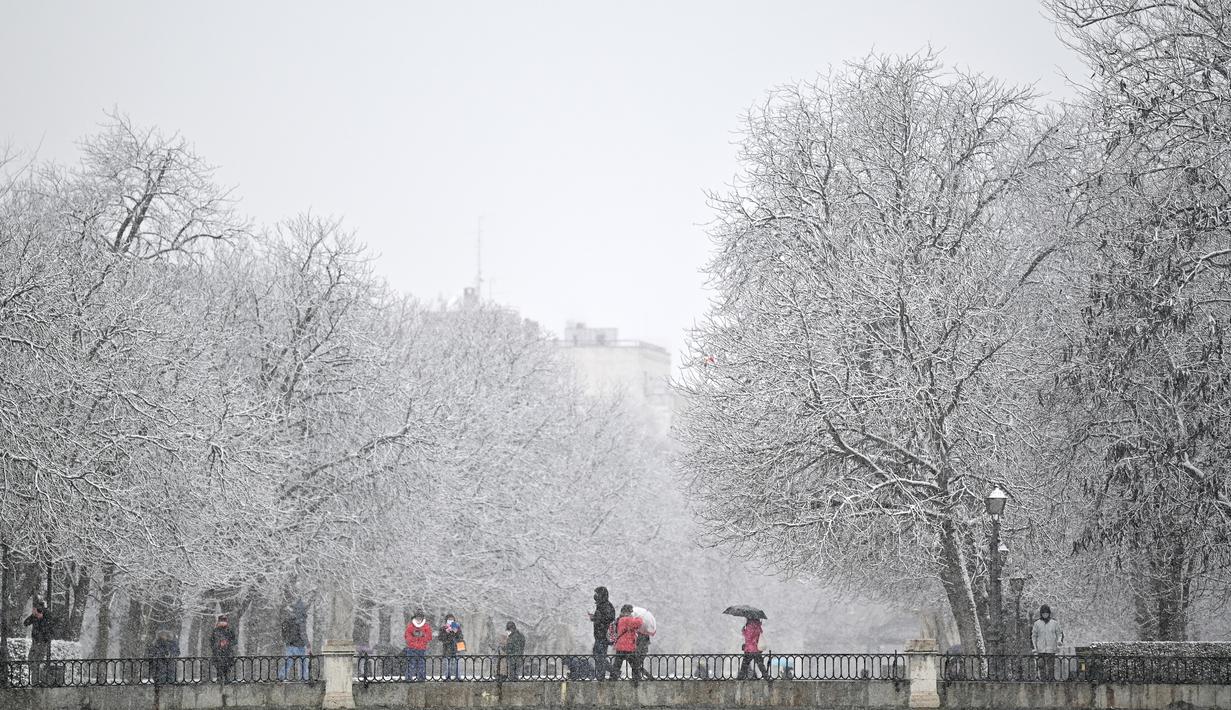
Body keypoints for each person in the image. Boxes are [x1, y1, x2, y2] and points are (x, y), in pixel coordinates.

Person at [608, 605, 643, 683]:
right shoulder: (627, 619)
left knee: (617, 665)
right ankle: (636, 680)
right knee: (635, 665)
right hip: (628, 647)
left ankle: (613, 679)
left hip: (620, 646)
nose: (631, 613)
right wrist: (639, 617)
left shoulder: (620, 619)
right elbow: (638, 623)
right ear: (628, 612)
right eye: (631, 611)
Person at [23, 601, 54, 686]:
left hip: (43, 641)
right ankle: (38, 680)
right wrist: (33, 615)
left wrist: (41, 617)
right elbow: (25, 623)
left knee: (37, 662)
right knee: (31, 660)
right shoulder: (35, 615)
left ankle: (37, 682)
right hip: (35, 641)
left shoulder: (47, 615)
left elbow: (48, 628)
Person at [1031, 604, 1065, 681]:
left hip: (1051, 648)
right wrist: (1035, 647)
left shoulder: (1054, 623)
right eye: (1043, 613)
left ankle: (1051, 679)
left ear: (1049, 613)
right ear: (1041, 614)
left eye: (1046, 613)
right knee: (1041, 665)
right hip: (1040, 649)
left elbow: (1059, 633)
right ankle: (1043, 680)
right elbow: (1034, 636)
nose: (1045, 615)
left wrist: (1059, 641)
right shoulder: (1037, 624)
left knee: (1051, 666)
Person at [279, 600, 310, 681]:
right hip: (299, 645)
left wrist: (286, 640)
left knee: (288, 662)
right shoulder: (301, 619)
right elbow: (303, 633)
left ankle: (282, 676)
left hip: (290, 644)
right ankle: (304, 678)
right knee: (303, 662)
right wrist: (308, 645)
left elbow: (283, 630)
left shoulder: (289, 619)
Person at [589, 587, 615, 680]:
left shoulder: (606, 605)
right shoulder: (601, 605)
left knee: (598, 655)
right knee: (598, 655)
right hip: (599, 635)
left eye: (597, 594)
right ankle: (601, 674)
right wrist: (594, 618)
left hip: (603, 636)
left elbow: (608, 619)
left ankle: (610, 672)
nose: (595, 596)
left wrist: (597, 618)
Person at [404, 610, 432, 682]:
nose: (418, 619)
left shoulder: (426, 626)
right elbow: (407, 637)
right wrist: (414, 637)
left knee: (421, 664)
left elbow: (429, 637)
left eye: (420, 617)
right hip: (411, 648)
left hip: (422, 648)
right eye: (417, 617)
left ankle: (421, 678)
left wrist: (423, 635)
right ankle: (409, 678)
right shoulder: (410, 626)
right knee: (410, 663)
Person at [631, 605, 657, 680]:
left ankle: (638, 677)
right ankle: (643, 676)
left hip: (639, 649)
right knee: (637, 664)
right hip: (643, 649)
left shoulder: (639, 632)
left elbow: (638, 643)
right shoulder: (645, 631)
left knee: (636, 664)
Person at [209, 615, 237, 682]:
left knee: (227, 667)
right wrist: (218, 644)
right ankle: (220, 678)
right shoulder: (215, 631)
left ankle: (227, 678)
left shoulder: (230, 630)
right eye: (221, 621)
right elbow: (211, 642)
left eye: (224, 621)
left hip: (228, 653)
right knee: (219, 667)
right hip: (218, 653)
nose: (223, 622)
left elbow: (234, 641)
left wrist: (227, 643)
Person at [439, 613, 464, 681]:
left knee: (457, 662)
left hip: (456, 647)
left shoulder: (457, 627)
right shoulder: (443, 628)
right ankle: (447, 676)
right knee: (447, 663)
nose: (450, 620)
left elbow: (461, 637)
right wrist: (446, 633)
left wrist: (455, 633)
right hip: (447, 648)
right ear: (446, 620)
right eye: (449, 619)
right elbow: (440, 638)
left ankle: (458, 676)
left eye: (452, 619)